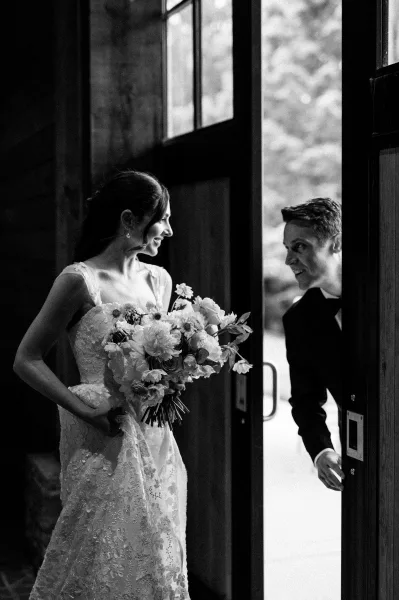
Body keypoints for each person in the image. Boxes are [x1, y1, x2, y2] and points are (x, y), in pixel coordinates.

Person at [14, 169, 190, 599]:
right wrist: (82, 409)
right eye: (161, 218)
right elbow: (26, 358)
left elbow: (158, 358)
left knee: (157, 547)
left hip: (153, 431)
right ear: (129, 221)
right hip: (100, 431)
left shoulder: (158, 281)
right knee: (99, 545)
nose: (168, 229)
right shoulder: (79, 280)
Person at [281, 197, 344, 492]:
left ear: (335, 243)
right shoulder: (298, 319)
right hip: (360, 451)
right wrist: (321, 450)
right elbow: (306, 399)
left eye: (300, 246)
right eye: (287, 249)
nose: (288, 260)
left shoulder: (388, 288)